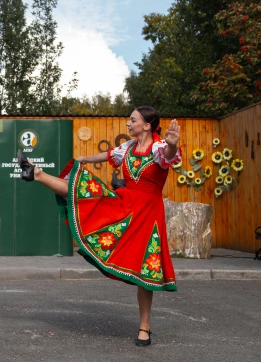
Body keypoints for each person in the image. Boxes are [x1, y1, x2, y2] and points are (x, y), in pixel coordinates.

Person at [17, 106, 181, 347]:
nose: (128, 123)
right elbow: (106, 156)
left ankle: (144, 327)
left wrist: (173, 144)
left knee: (146, 270)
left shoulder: (158, 148)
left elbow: (169, 155)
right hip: (126, 202)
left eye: (133, 120)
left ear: (147, 125)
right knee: (84, 189)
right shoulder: (128, 148)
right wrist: (82, 159)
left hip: (148, 213)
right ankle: (37, 173)